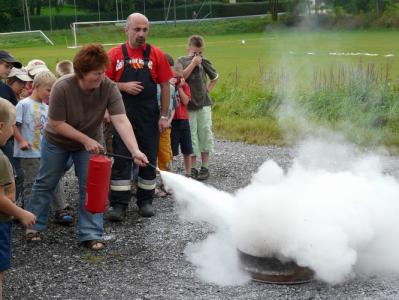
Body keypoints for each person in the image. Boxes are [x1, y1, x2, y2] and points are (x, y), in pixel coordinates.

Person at [25, 44, 148, 251]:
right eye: (96, 74)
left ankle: (91, 233)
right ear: (81, 72)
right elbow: (56, 123)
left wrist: (135, 150)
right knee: (46, 182)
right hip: (57, 142)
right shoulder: (62, 86)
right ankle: (33, 226)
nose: (101, 77)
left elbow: (121, 119)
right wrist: (86, 140)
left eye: (102, 72)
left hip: (89, 144)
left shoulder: (108, 87)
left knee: (91, 187)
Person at [106, 12, 173, 220]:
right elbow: (103, 84)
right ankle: (119, 205)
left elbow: (165, 86)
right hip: (122, 113)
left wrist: (164, 115)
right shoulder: (115, 54)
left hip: (148, 114)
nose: (141, 33)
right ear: (126, 30)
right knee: (123, 159)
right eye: (137, 29)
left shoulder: (156, 54)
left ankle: (146, 201)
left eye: (145, 29)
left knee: (149, 158)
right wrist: (122, 86)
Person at [14, 70, 73, 224]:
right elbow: (14, 125)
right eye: (48, 90)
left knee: (54, 179)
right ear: (37, 87)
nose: (50, 94)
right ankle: (30, 214)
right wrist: (20, 141)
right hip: (29, 154)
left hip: (46, 152)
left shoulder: (47, 107)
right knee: (32, 183)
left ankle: (60, 209)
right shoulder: (24, 104)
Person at [0, 98, 36, 300]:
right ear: (1, 127)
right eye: (12, 126)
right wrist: (21, 213)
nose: (13, 132)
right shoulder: (1, 159)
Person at [177, 35, 218, 180]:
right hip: (188, 105)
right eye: (195, 53)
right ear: (188, 49)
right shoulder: (182, 61)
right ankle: (193, 168)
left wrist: (207, 90)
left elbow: (215, 77)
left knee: (205, 133)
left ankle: (205, 167)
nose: (198, 56)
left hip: (204, 105)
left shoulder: (204, 62)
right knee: (191, 136)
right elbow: (181, 77)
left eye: (200, 53)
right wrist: (193, 63)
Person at [0, 51, 25, 207]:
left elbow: (13, 118)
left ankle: (15, 205)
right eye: (6, 66)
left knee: (14, 174)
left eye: (10, 67)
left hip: (6, 141)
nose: (9, 70)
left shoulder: (6, 90)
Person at [170, 63, 193, 177]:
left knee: (187, 148)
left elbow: (186, 102)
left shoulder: (185, 86)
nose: (178, 80)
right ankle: (172, 171)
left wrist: (179, 87)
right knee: (172, 149)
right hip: (172, 121)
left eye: (180, 77)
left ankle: (188, 172)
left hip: (183, 120)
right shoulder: (168, 86)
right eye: (175, 77)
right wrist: (172, 85)